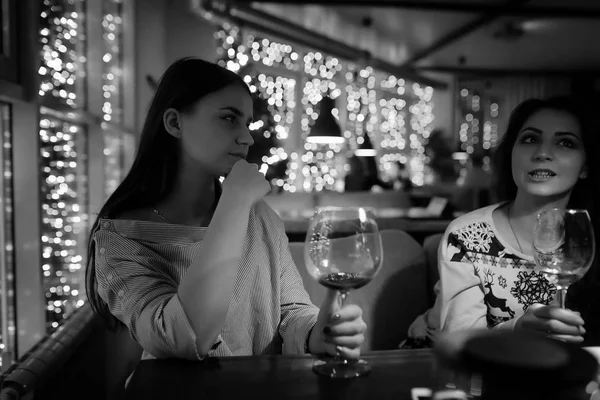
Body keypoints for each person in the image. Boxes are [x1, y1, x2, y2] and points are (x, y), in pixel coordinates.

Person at [85, 57, 366, 362]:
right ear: (174, 123)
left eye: (247, 122)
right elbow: (180, 338)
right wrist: (234, 200)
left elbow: (290, 310)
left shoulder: (260, 216)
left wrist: (316, 333)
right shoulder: (121, 239)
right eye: (229, 118)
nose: (247, 138)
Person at [402, 96, 599, 348]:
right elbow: (459, 341)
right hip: (443, 370)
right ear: (511, 154)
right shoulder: (469, 235)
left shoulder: (588, 238)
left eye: (565, 142)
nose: (542, 153)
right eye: (531, 139)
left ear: (585, 166)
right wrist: (518, 329)